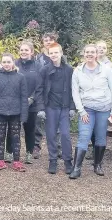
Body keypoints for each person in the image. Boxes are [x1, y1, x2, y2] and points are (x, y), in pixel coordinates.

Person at [70, 44, 112, 179]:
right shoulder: (78, 71)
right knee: (84, 136)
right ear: (84, 54)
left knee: (100, 136)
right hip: (87, 109)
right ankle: (77, 168)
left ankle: (97, 165)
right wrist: (81, 111)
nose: (89, 54)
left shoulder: (107, 69)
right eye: (87, 52)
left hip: (103, 108)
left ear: (97, 54)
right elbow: (75, 92)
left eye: (92, 52)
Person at [36, 43, 75, 175]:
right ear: (48, 54)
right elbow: (39, 89)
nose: (53, 55)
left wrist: (72, 107)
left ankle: (68, 160)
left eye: (56, 52)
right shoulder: (44, 70)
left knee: (65, 134)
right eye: (51, 53)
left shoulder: (69, 70)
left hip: (64, 107)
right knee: (51, 135)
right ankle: (53, 160)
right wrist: (41, 108)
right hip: (50, 107)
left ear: (61, 53)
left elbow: (73, 90)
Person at [0, 53, 28, 172]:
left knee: (16, 138)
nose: (6, 64)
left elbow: (24, 97)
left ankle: (16, 161)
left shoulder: (20, 77)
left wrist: (24, 115)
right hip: (0, 112)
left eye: (8, 62)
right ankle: (0, 161)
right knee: (0, 137)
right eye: (4, 62)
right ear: (2, 63)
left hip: (15, 113)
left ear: (13, 63)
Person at [14, 41, 43, 164]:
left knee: (30, 130)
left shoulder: (38, 66)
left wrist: (32, 98)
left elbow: (40, 85)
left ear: (31, 52)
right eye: (22, 50)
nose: (24, 52)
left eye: (26, 50)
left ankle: (29, 153)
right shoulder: (15, 64)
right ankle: (12, 153)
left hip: (32, 104)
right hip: (16, 102)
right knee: (14, 129)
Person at [34, 31, 60, 159]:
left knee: (56, 122)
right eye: (46, 40)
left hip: (55, 94)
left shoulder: (60, 56)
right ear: (42, 42)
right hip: (41, 92)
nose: (48, 42)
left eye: (51, 40)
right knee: (38, 121)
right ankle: (36, 147)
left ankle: (58, 147)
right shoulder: (38, 58)